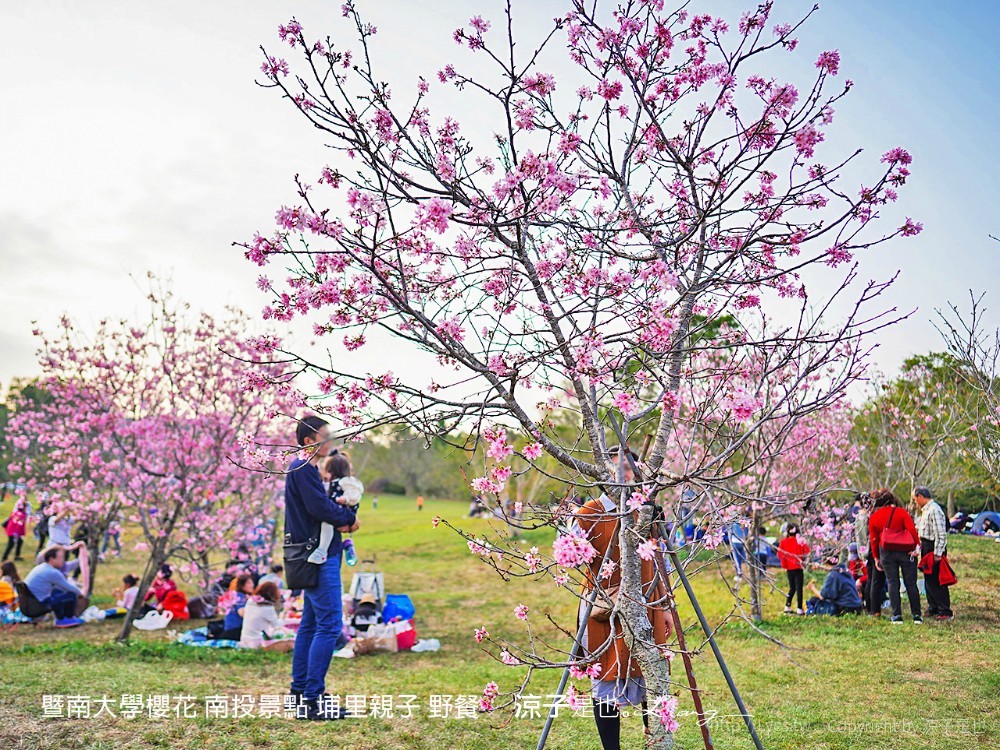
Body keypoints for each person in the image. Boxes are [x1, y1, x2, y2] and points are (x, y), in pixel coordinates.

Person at [572, 447, 672, 750]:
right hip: (604, 608)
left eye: (629, 468)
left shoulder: (646, 508)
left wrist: (665, 605)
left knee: (650, 671)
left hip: (649, 600)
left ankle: (654, 741)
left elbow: (660, 560)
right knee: (606, 675)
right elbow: (571, 556)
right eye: (618, 468)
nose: (624, 474)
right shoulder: (587, 514)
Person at [285, 415, 359, 721]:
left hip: (317, 554)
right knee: (328, 624)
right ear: (309, 441)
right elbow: (319, 508)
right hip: (317, 557)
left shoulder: (307, 470)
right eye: (325, 436)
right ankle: (312, 699)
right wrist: (348, 519)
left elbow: (320, 506)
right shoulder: (302, 468)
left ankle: (301, 693)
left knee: (311, 624)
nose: (330, 442)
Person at [868, 488, 921, 624]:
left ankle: (897, 615)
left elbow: (873, 540)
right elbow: (912, 530)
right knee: (911, 584)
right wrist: (916, 546)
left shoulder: (874, 517)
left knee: (893, 583)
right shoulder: (901, 512)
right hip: (906, 551)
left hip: (886, 552)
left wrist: (876, 557)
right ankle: (916, 615)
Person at [310, 453, 363, 564]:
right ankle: (322, 550)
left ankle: (322, 550)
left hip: (342, 510)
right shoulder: (330, 483)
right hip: (336, 510)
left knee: (327, 523)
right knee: (327, 524)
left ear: (333, 471)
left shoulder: (346, 482)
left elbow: (355, 494)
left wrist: (346, 499)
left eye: (328, 470)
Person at [913, 486, 953, 620]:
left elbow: (940, 534)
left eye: (915, 499)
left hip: (933, 547)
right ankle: (933, 607)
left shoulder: (934, 510)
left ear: (920, 497)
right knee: (928, 579)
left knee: (936, 579)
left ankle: (944, 610)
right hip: (925, 546)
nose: (915, 503)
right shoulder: (926, 511)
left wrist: (938, 553)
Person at [24, 547, 84, 626]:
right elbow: (69, 587)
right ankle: (65, 619)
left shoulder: (41, 567)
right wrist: (81, 594)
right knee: (71, 595)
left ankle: (62, 618)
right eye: (61, 558)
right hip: (40, 604)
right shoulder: (53, 572)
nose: (63, 560)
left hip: (31, 602)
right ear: (52, 559)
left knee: (57, 592)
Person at [240, 580, 286, 649]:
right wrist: (283, 615)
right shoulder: (267, 608)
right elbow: (276, 625)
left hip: (244, 639)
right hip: (256, 642)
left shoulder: (251, 601)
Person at [777, 525, 809, 615]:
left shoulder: (783, 542)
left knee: (792, 588)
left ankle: (787, 606)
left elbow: (779, 554)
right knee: (799, 588)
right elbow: (806, 551)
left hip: (789, 568)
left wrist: (785, 563)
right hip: (798, 567)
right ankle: (799, 608)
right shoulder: (800, 541)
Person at [219, 574, 254, 640]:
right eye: (249, 583)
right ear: (242, 585)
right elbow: (242, 613)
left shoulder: (239, 595)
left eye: (252, 582)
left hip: (231, 629)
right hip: (234, 630)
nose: (252, 585)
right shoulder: (240, 597)